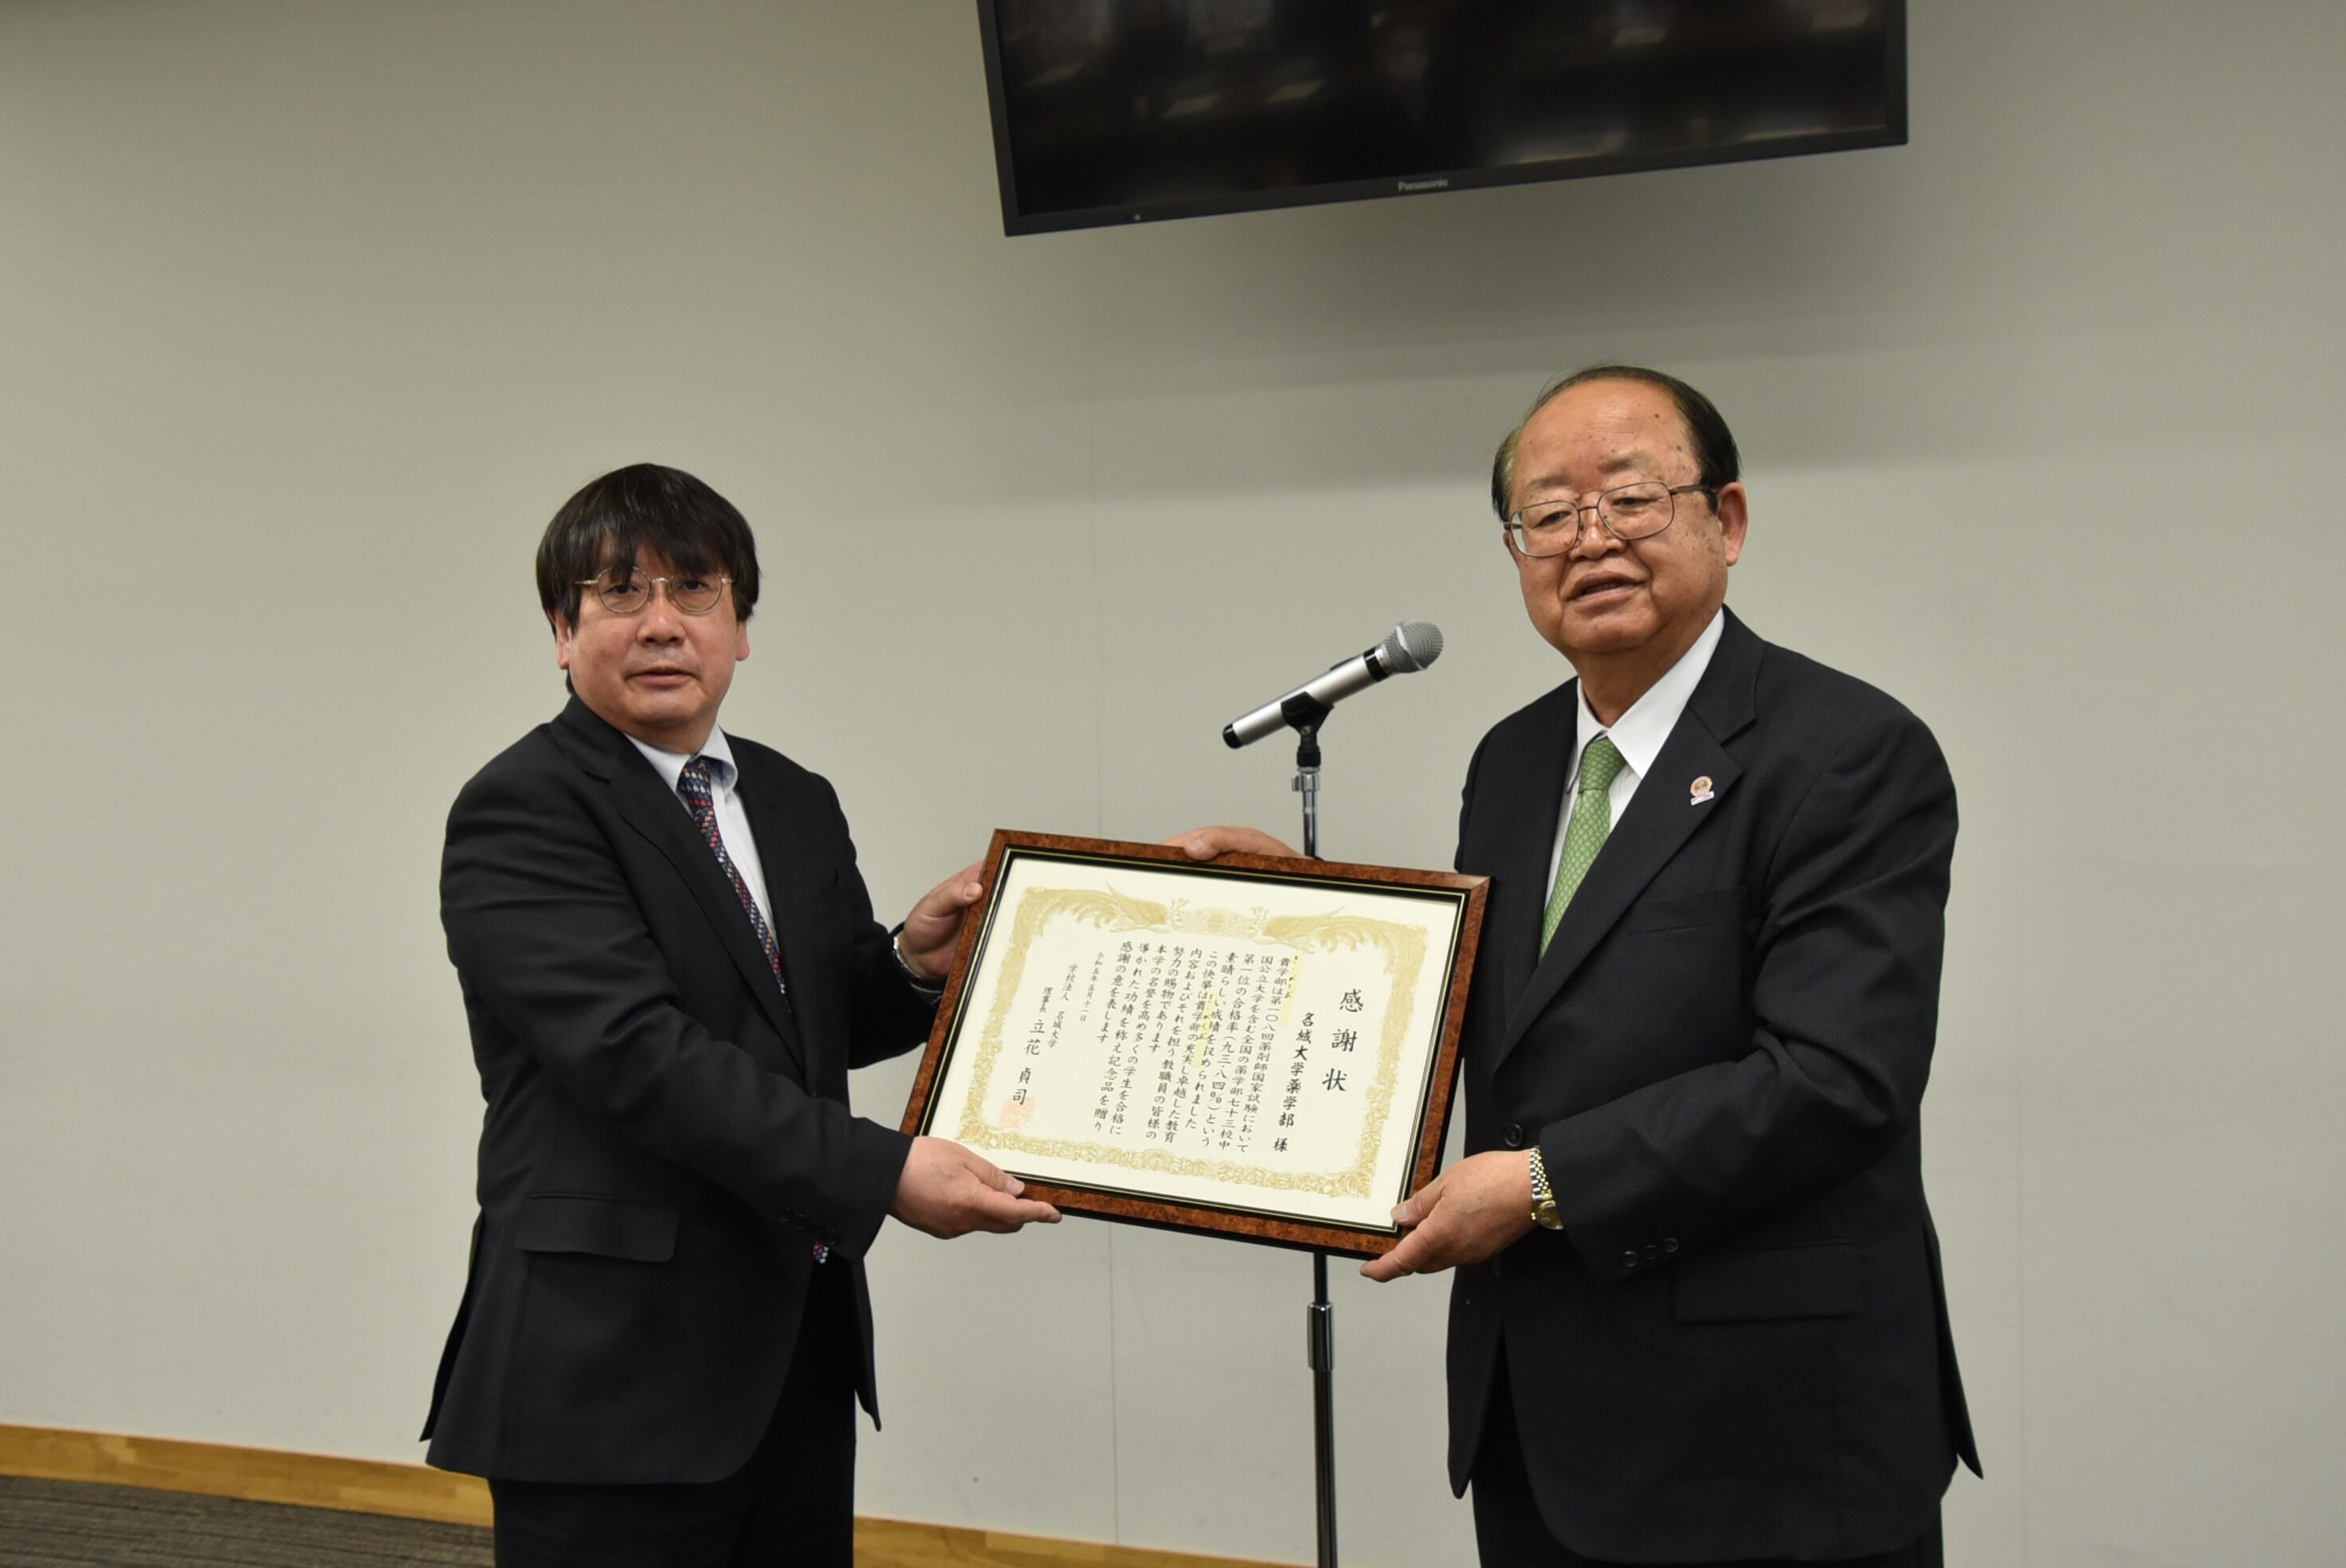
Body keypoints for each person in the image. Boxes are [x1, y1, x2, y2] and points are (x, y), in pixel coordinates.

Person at [1175, 367, 1979, 1566]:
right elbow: (1524, 997)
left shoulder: (1848, 752)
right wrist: (1306, 924)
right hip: (1543, 1416)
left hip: (1769, 1437)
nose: (1590, 537)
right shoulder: (1512, 760)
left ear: (1730, 520)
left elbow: (1834, 1078)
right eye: (1548, 514)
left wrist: (1540, 1184)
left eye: (1634, 498)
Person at [420, 463, 1058, 1568]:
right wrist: (882, 1171)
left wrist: (908, 964)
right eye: (621, 593)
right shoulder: (523, 807)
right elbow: (638, 1056)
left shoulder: (792, 797)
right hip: (609, 1372)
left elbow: (796, 1028)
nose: (662, 623)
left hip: (790, 1348)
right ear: (562, 633)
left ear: (742, 626)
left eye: (695, 591)